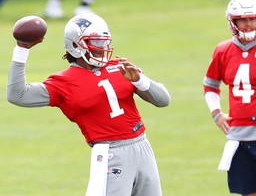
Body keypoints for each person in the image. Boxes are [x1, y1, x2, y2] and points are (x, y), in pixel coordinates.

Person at [7, 13, 171, 196]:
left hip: (143, 147)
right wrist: (22, 49)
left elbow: (164, 100)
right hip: (110, 152)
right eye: (95, 42)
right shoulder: (63, 82)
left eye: (104, 42)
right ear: (76, 45)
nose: (102, 48)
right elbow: (17, 95)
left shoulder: (120, 67)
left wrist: (140, 80)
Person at [203, 0, 256, 195]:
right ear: (233, 22)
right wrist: (216, 113)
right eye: (243, 20)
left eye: (252, 19)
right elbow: (210, 85)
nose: (249, 25)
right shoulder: (223, 50)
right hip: (238, 139)